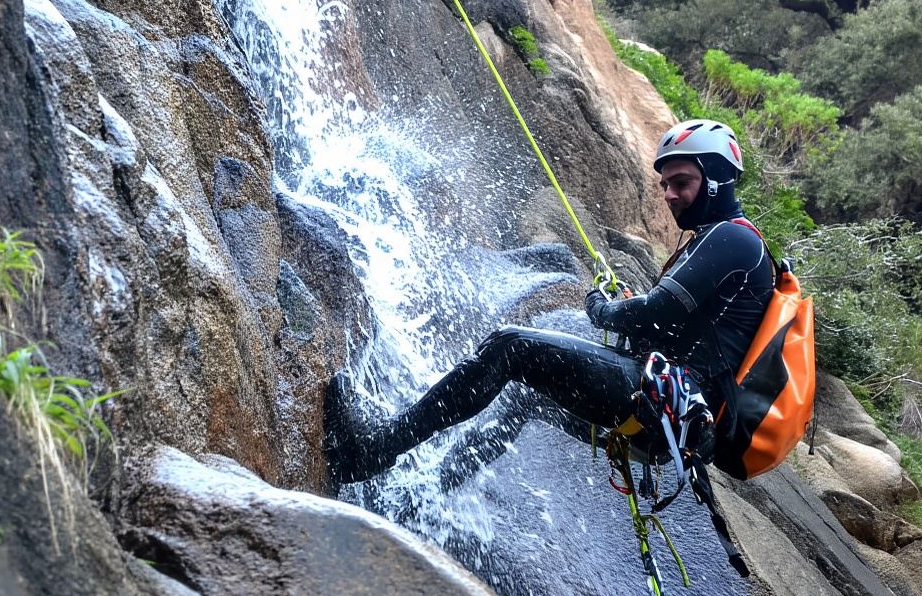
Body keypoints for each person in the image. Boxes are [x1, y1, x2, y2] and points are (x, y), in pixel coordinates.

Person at [324, 119, 775, 485]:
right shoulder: (718, 242)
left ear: (716, 179)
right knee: (525, 395)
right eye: (664, 185)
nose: (669, 195)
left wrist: (601, 308)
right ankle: (426, 492)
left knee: (509, 347)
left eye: (681, 182)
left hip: (660, 405)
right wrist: (631, 310)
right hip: (668, 417)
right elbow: (674, 324)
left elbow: (653, 315)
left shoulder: (734, 238)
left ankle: (376, 449)